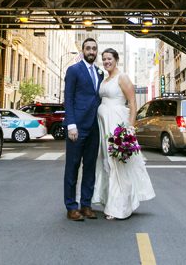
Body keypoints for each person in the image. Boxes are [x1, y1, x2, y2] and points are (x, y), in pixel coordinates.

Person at [92, 48, 155, 220]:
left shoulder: (123, 77)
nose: (106, 62)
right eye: (104, 59)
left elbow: (133, 102)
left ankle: (118, 206)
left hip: (117, 123)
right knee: (106, 162)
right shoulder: (105, 79)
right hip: (103, 124)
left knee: (117, 163)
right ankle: (108, 200)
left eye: (109, 58)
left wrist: (130, 128)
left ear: (116, 59)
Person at [63, 37, 103, 221]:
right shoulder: (73, 70)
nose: (91, 52)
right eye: (88, 48)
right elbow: (68, 98)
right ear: (82, 50)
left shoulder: (99, 73)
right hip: (77, 127)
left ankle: (86, 204)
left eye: (94, 49)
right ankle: (71, 207)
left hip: (94, 127)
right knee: (72, 167)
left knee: (90, 167)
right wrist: (71, 124)